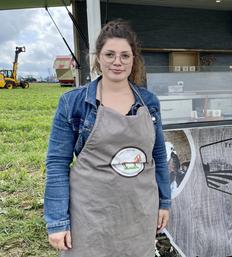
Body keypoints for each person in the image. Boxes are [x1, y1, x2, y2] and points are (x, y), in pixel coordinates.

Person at [44, 19, 171, 257]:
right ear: (98, 57)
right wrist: (57, 221)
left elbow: (159, 157)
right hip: (90, 213)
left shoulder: (149, 102)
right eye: (110, 54)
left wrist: (164, 201)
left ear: (134, 59)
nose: (117, 62)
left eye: (125, 55)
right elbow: (57, 164)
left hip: (138, 210)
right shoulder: (73, 103)